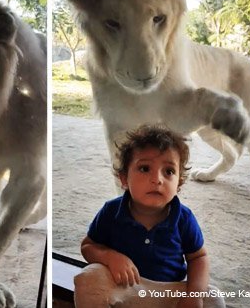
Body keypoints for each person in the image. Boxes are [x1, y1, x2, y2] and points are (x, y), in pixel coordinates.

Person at [81, 125, 209, 308]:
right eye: (144, 168)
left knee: (213, 298)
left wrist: (194, 295)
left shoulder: (184, 218)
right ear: (124, 179)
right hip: (124, 288)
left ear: (179, 183)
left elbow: (198, 257)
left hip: (168, 292)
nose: (157, 179)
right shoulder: (111, 211)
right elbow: (88, 246)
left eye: (169, 171)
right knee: (89, 278)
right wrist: (110, 257)